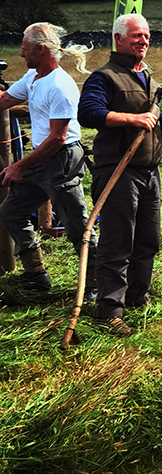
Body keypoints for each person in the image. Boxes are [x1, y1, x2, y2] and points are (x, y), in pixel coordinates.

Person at [77, 13, 162, 336]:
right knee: (117, 241)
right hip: (118, 171)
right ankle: (109, 310)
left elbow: (150, 122)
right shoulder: (105, 77)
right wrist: (134, 120)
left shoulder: (147, 77)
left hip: (149, 172)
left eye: (147, 36)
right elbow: (89, 113)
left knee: (148, 239)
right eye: (137, 36)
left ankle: (137, 298)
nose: (144, 41)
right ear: (119, 40)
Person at [0, 23, 95, 296]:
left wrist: (19, 165)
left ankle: (96, 285)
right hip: (41, 159)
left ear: (41, 50)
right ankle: (36, 275)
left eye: (24, 49)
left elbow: (57, 138)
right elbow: (4, 99)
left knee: (76, 225)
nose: (21, 55)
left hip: (61, 160)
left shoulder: (60, 86)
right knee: (11, 211)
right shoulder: (33, 77)